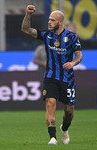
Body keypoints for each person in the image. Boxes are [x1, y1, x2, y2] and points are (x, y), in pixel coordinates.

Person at [21, 5, 83, 145]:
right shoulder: (46, 35)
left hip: (67, 78)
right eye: (49, 19)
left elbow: (79, 56)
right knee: (50, 103)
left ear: (60, 22)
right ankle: (53, 138)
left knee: (69, 112)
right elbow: (26, 29)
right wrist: (28, 15)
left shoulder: (72, 37)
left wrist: (73, 63)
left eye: (52, 20)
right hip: (50, 77)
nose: (49, 22)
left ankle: (65, 129)